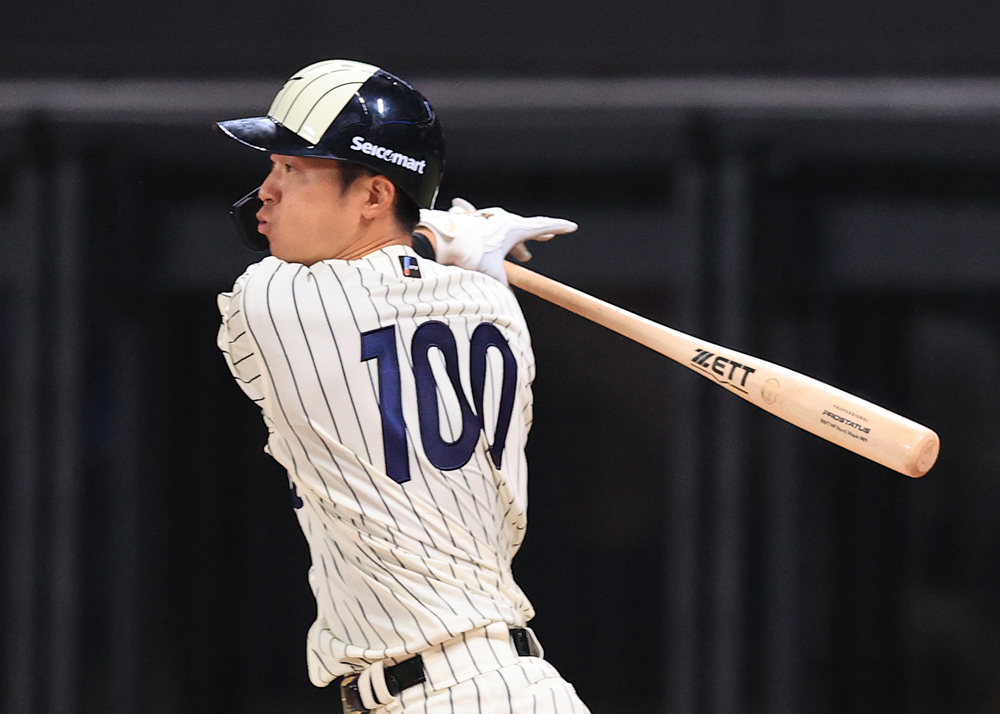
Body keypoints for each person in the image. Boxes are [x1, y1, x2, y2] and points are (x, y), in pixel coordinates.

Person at [214, 59, 589, 714]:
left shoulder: (273, 301)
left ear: (374, 196)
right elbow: (401, 278)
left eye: (293, 169)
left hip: (449, 692)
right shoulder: (493, 306)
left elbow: (352, 282)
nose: (265, 192)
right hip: (498, 684)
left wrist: (441, 233)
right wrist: (449, 242)